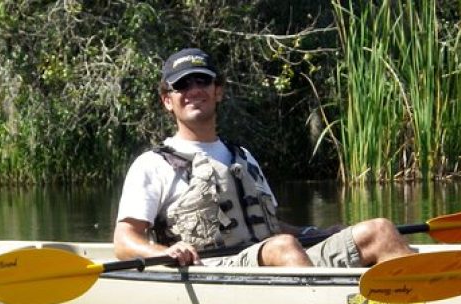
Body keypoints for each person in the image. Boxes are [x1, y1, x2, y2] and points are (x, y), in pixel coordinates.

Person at [114, 47, 415, 268]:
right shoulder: (152, 165)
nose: (194, 90)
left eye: (202, 82)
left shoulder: (242, 157)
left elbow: (270, 226)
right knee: (281, 248)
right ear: (168, 100)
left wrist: (317, 232)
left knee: (380, 230)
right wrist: (164, 253)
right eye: (182, 85)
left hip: (275, 257)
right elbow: (124, 241)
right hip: (212, 270)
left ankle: (426, 297)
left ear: (218, 91)